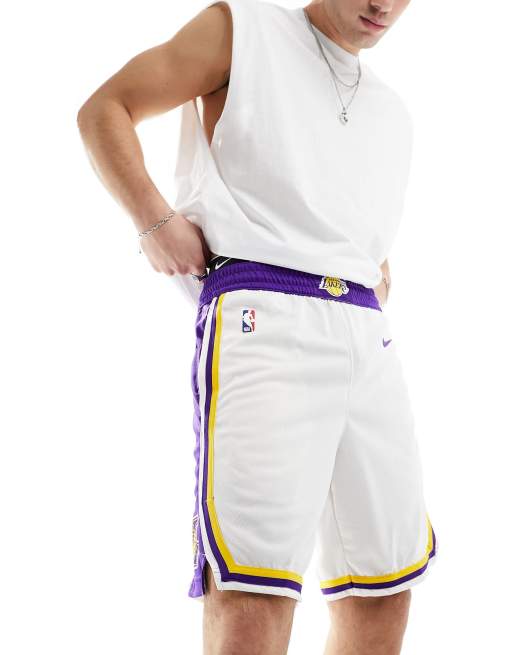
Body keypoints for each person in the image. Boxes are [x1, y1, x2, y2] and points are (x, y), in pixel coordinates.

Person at [77, 0, 437, 652]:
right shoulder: (243, 29)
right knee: (253, 591)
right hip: (265, 322)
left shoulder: (394, 113)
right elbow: (105, 108)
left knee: (383, 589)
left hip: (365, 338)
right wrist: (153, 220)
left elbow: (351, 226)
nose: (383, 4)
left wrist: (369, 274)